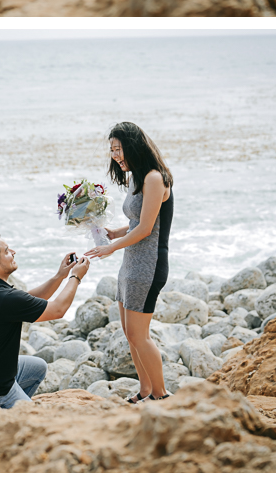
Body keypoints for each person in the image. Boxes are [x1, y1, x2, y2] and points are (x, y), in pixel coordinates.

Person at [0, 229, 90, 410]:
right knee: (37, 423)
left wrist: (60, 276)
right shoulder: (2, 297)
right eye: (7, 251)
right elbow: (57, 310)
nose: (13, 252)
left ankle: (11, 406)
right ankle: (4, 408)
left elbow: (28, 300)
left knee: (37, 366)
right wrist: (76, 277)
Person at [85, 122, 173, 403]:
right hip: (131, 262)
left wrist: (111, 247)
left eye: (118, 149)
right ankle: (145, 391)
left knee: (139, 334)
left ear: (133, 147)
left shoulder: (154, 178)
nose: (114, 155)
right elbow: (137, 222)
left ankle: (161, 396)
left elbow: (147, 228)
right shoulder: (135, 177)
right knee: (129, 333)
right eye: (111, 150)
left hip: (149, 264)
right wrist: (115, 233)